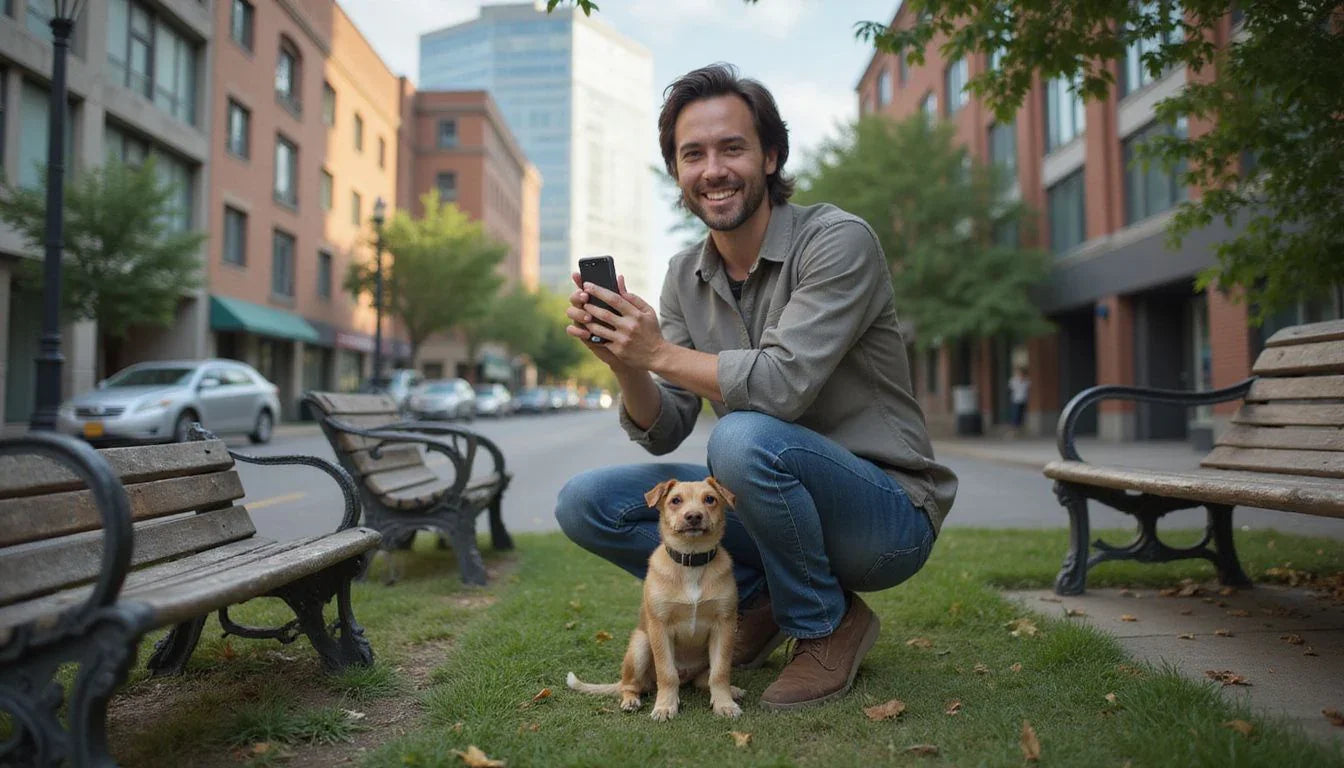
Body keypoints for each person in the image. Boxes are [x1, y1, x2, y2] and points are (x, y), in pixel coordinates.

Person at [554, 63, 958, 710]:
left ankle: (826, 624)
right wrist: (629, 362)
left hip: (885, 517)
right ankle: (751, 607)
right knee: (588, 501)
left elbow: (777, 389)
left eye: (732, 148)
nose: (713, 169)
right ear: (677, 172)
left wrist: (660, 349)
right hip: (775, 497)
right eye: (693, 154)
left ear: (770, 156)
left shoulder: (837, 242)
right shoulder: (685, 274)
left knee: (740, 441)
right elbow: (666, 424)